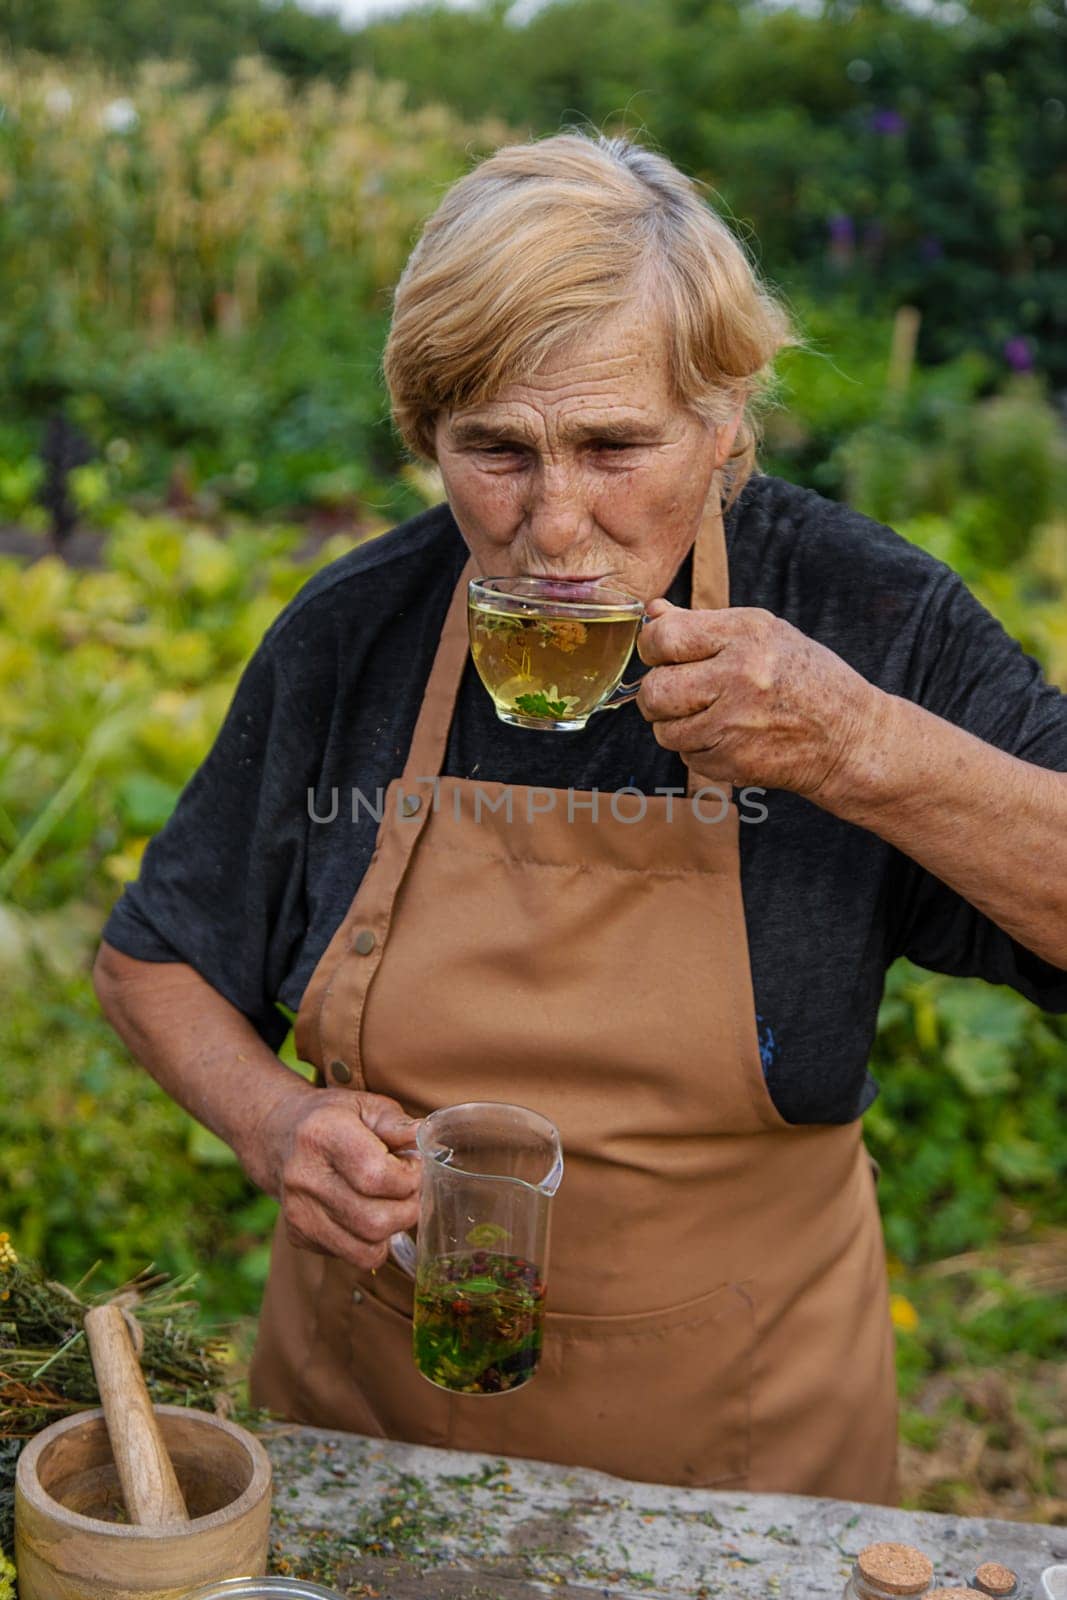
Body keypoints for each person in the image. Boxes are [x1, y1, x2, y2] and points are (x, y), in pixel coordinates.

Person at [93, 131, 1067, 1504]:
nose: (555, 526)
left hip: (737, 1477)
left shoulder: (870, 621)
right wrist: (268, 1122)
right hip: (369, 1453)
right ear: (425, 433)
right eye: (495, 449)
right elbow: (151, 962)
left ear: (725, 418)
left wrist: (858, 748)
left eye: (615, 446)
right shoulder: (352, 636)